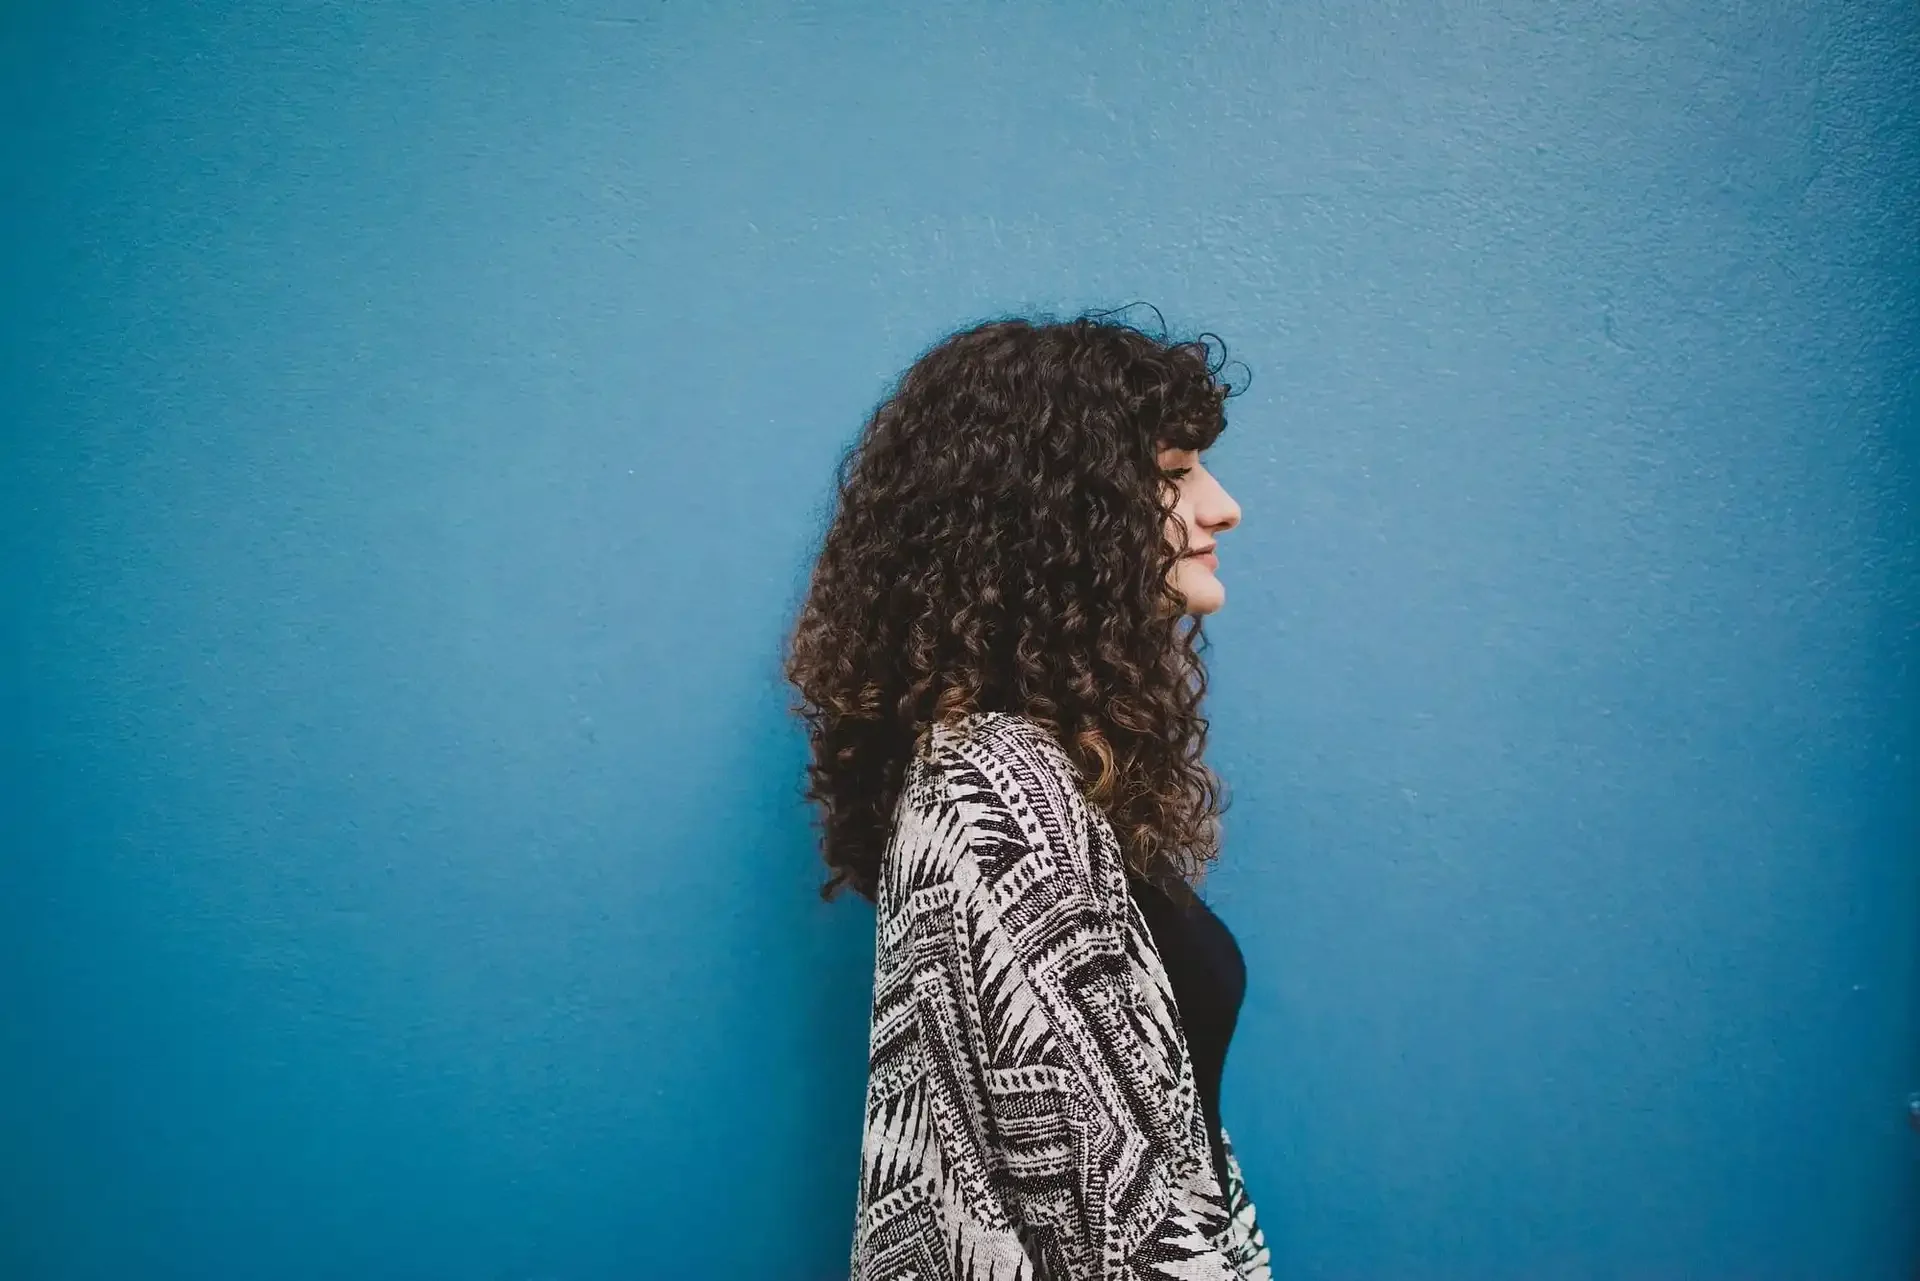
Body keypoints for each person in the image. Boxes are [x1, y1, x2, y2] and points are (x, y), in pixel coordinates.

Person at [785, 311, 1269, 1280]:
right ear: (1053, 521)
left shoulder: (1037, 774)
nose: (1225, 509)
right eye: (1173, 477)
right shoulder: (1000, 800)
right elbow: (1096, 1220)